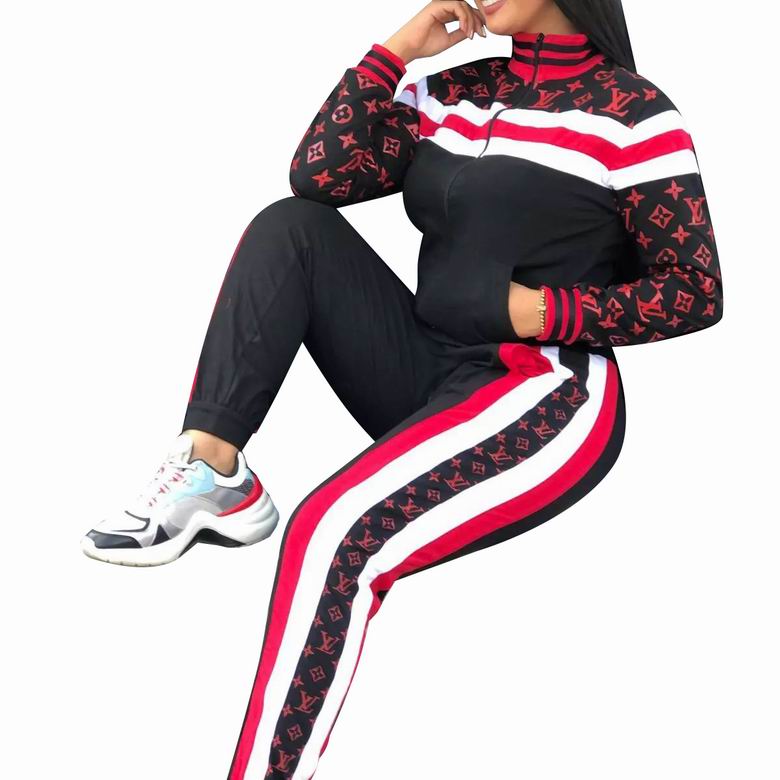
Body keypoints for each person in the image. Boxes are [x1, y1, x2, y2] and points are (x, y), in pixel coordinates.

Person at [81, 0, 724, 775]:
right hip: (428, 366)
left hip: (545, 392)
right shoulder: (458, 89)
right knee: (292, 227)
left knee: (330, 532)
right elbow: (319, 175)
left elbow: (696, 291)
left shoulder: (635, 115)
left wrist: (540, 310)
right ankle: (216, 470)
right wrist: (394, 53)